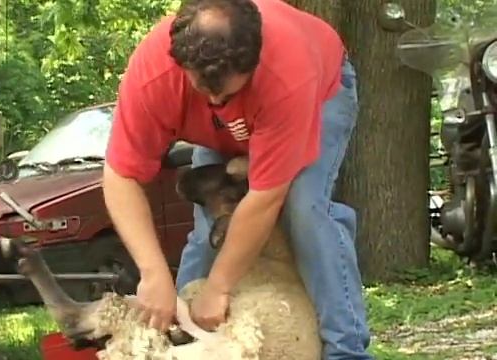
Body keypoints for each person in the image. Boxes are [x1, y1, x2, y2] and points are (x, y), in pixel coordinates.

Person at [102, 0, 373, 358]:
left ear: (254, 61)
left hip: (316, 95)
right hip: (222, 126)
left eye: (227, 92)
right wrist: (152, 273)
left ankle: (347, 348)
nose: (215, 100)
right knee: (208, 229)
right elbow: (122, 174)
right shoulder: (153, 75)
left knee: (306, 209)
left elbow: (264, 199)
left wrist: (219, 285)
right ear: (181, 63)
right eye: (204, 89)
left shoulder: (287, 73)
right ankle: (182, 333)